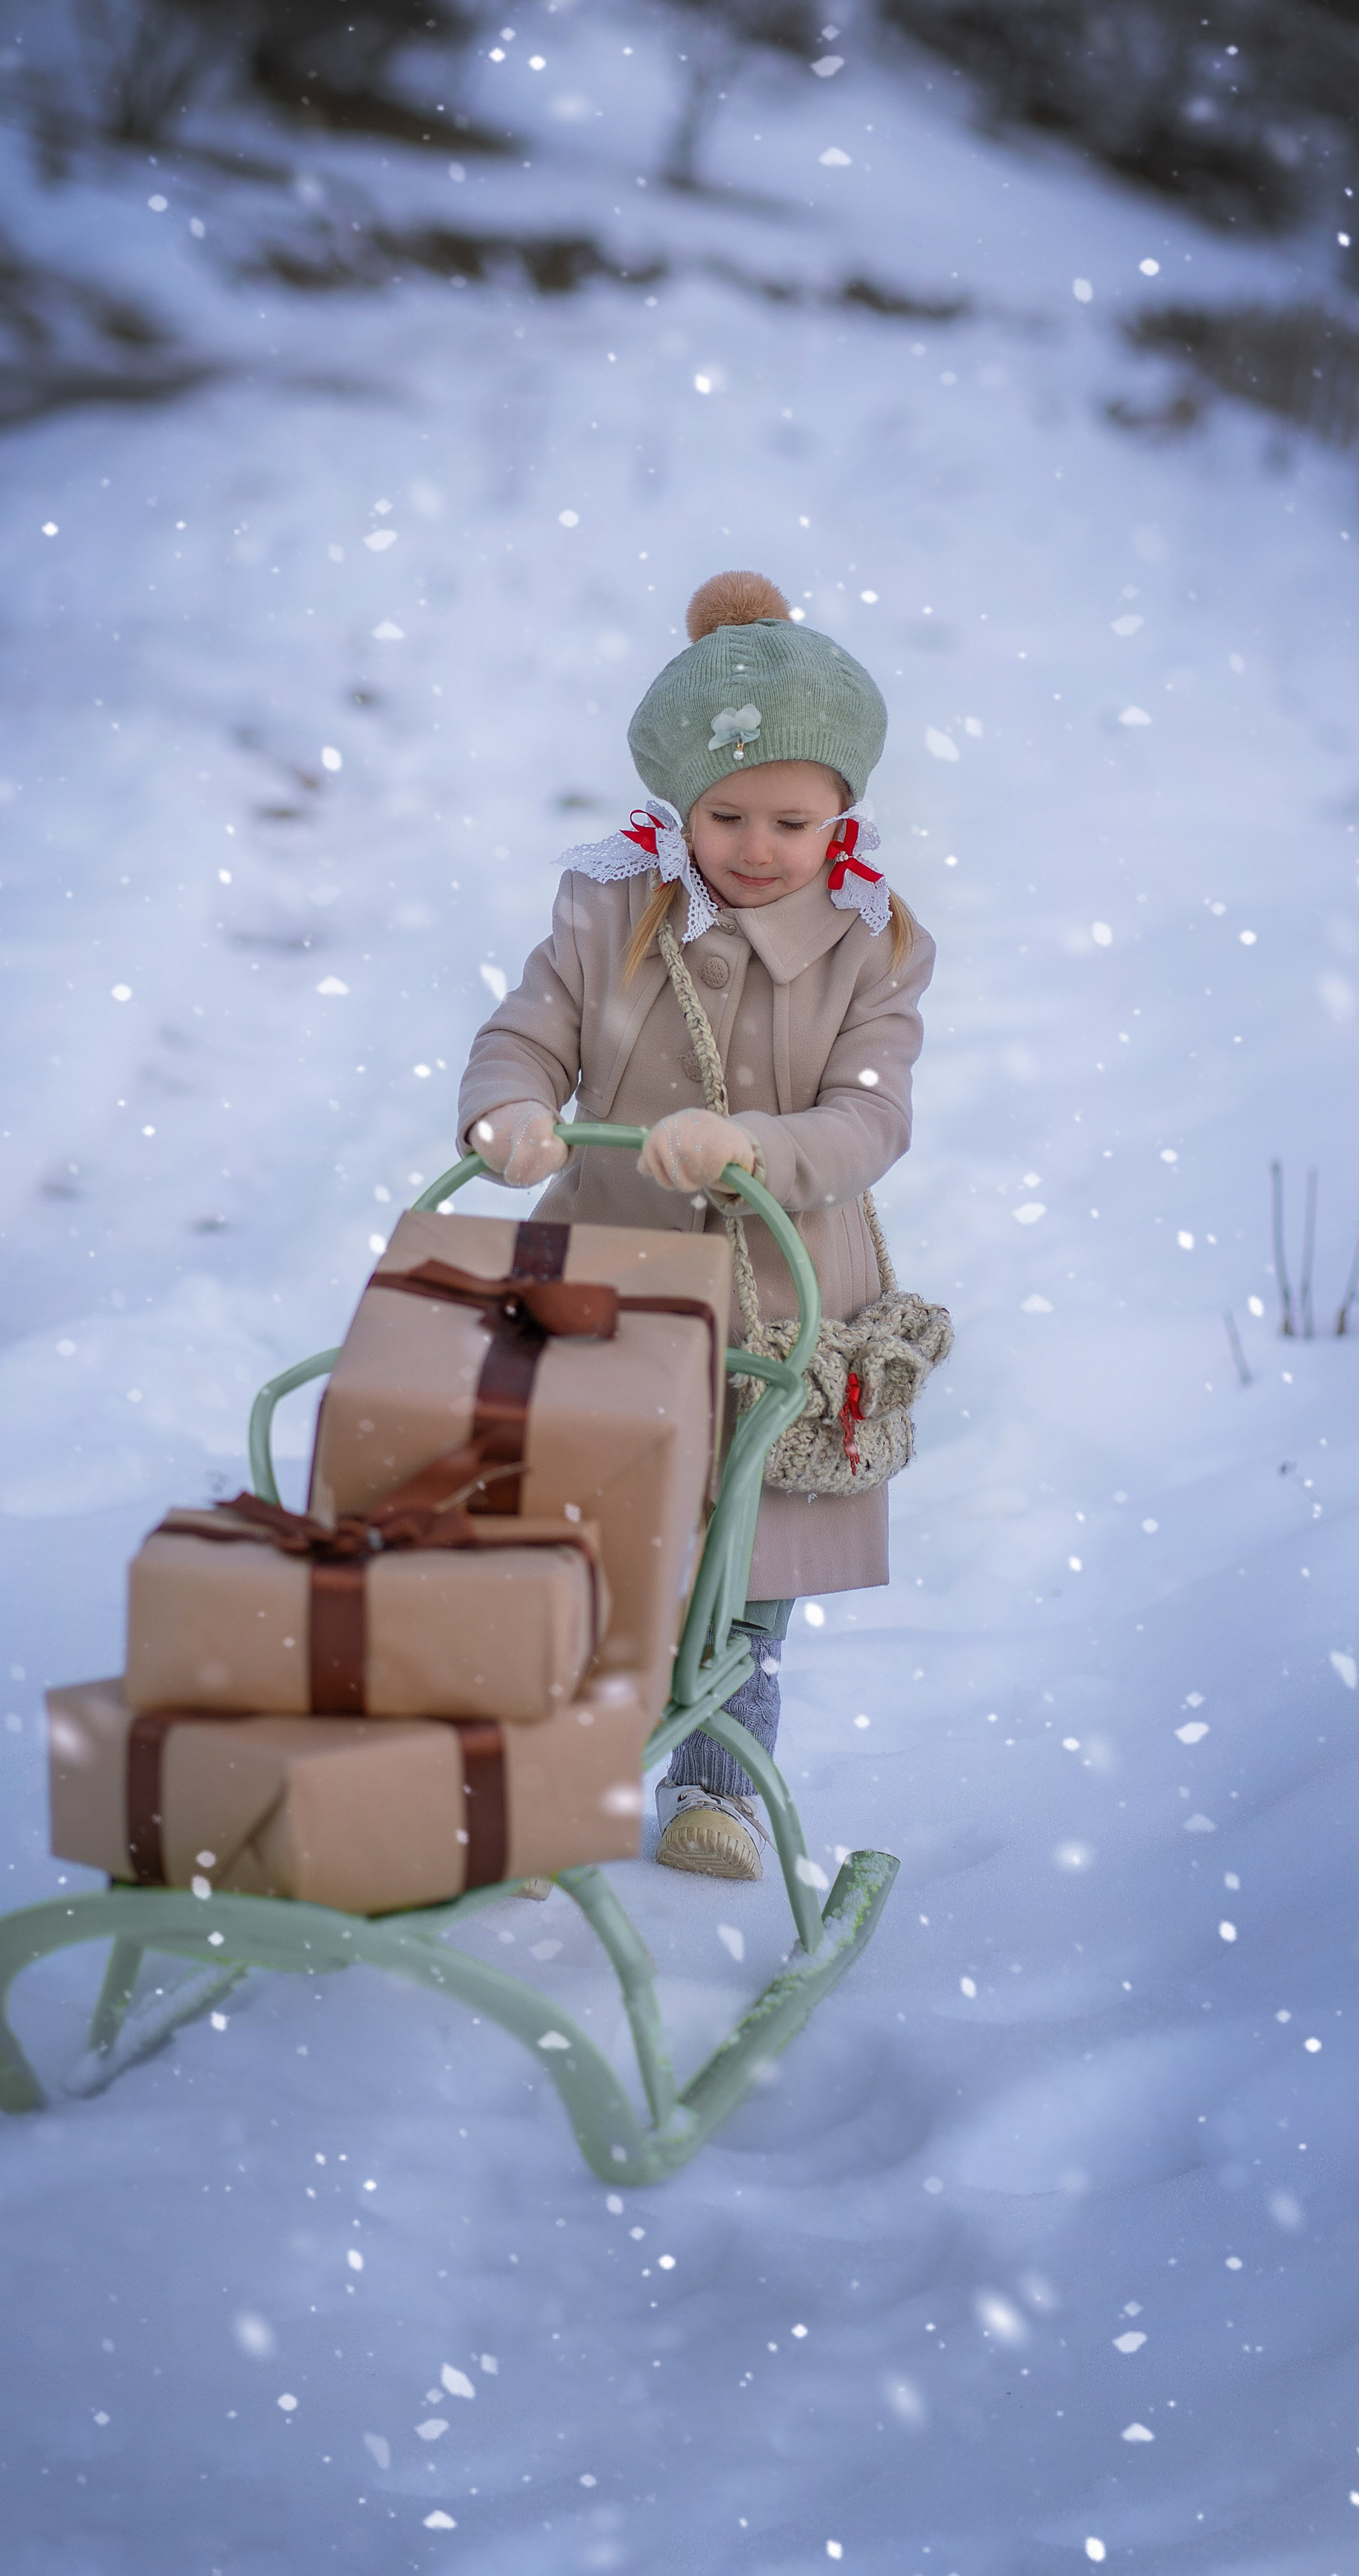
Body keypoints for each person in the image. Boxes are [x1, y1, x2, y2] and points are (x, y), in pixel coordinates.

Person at [455, 569, 935, 1882]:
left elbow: (870, 1118)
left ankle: (716, 1787)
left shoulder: (875, 946)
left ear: (844, 811)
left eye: (793, 819)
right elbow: (527, 1030)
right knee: (574, 1522)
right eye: (726, 815)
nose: (758, 847)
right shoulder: (610, 907)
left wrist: (754, 1147)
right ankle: (541, 1761)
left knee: (746, 1551)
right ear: (679, 801)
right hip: (603, 1273)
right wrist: (510, 1108)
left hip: (778, 1290)